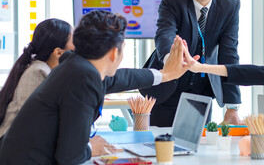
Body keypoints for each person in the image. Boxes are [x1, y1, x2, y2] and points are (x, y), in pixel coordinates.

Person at [0, 10, 191, 165]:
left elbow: (122, 78)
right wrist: (92, 147)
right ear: (114, 53)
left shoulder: (75, 64)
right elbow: (70, 157)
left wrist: (165, 74)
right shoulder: (82, 77)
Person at [140, 0, 242, 127]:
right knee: (162, 148)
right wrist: (171, 61)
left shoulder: (230, 5)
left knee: (198, 148)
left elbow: (229, 54)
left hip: (202, 90)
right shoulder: (173, 0)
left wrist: (232, 107)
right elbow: (165, 33)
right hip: (168, 87)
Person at [0, 18, 74, 138]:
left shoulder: (44, 69)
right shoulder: (37, 72)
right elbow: (35, 124)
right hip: (15, 147)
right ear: (58, 53)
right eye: (74, 42)